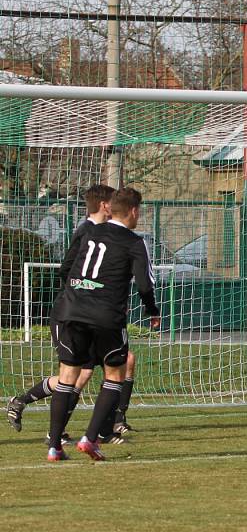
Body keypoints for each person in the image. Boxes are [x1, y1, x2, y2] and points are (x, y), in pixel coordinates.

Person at [6, 185, 136, 444]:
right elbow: (67, 269)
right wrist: (85, 297)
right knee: (78, 373)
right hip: (75, 313)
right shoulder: (87, 232)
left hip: (93, 313)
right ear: (105, 206)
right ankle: (50, 427)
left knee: (122, 362)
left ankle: (110, 424)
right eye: (113, 203)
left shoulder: (105, 233)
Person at [45, 187, 160, 461]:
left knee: (67, 376)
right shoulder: (134, 242)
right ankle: (90, 438)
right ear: (133, 211)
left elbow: (65, 268)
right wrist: (152, 311)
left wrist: (78, 293)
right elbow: (145, 284)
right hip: (106, 315)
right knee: (114, 374)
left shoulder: (88, 231)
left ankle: (54, 447)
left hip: (71, 311)